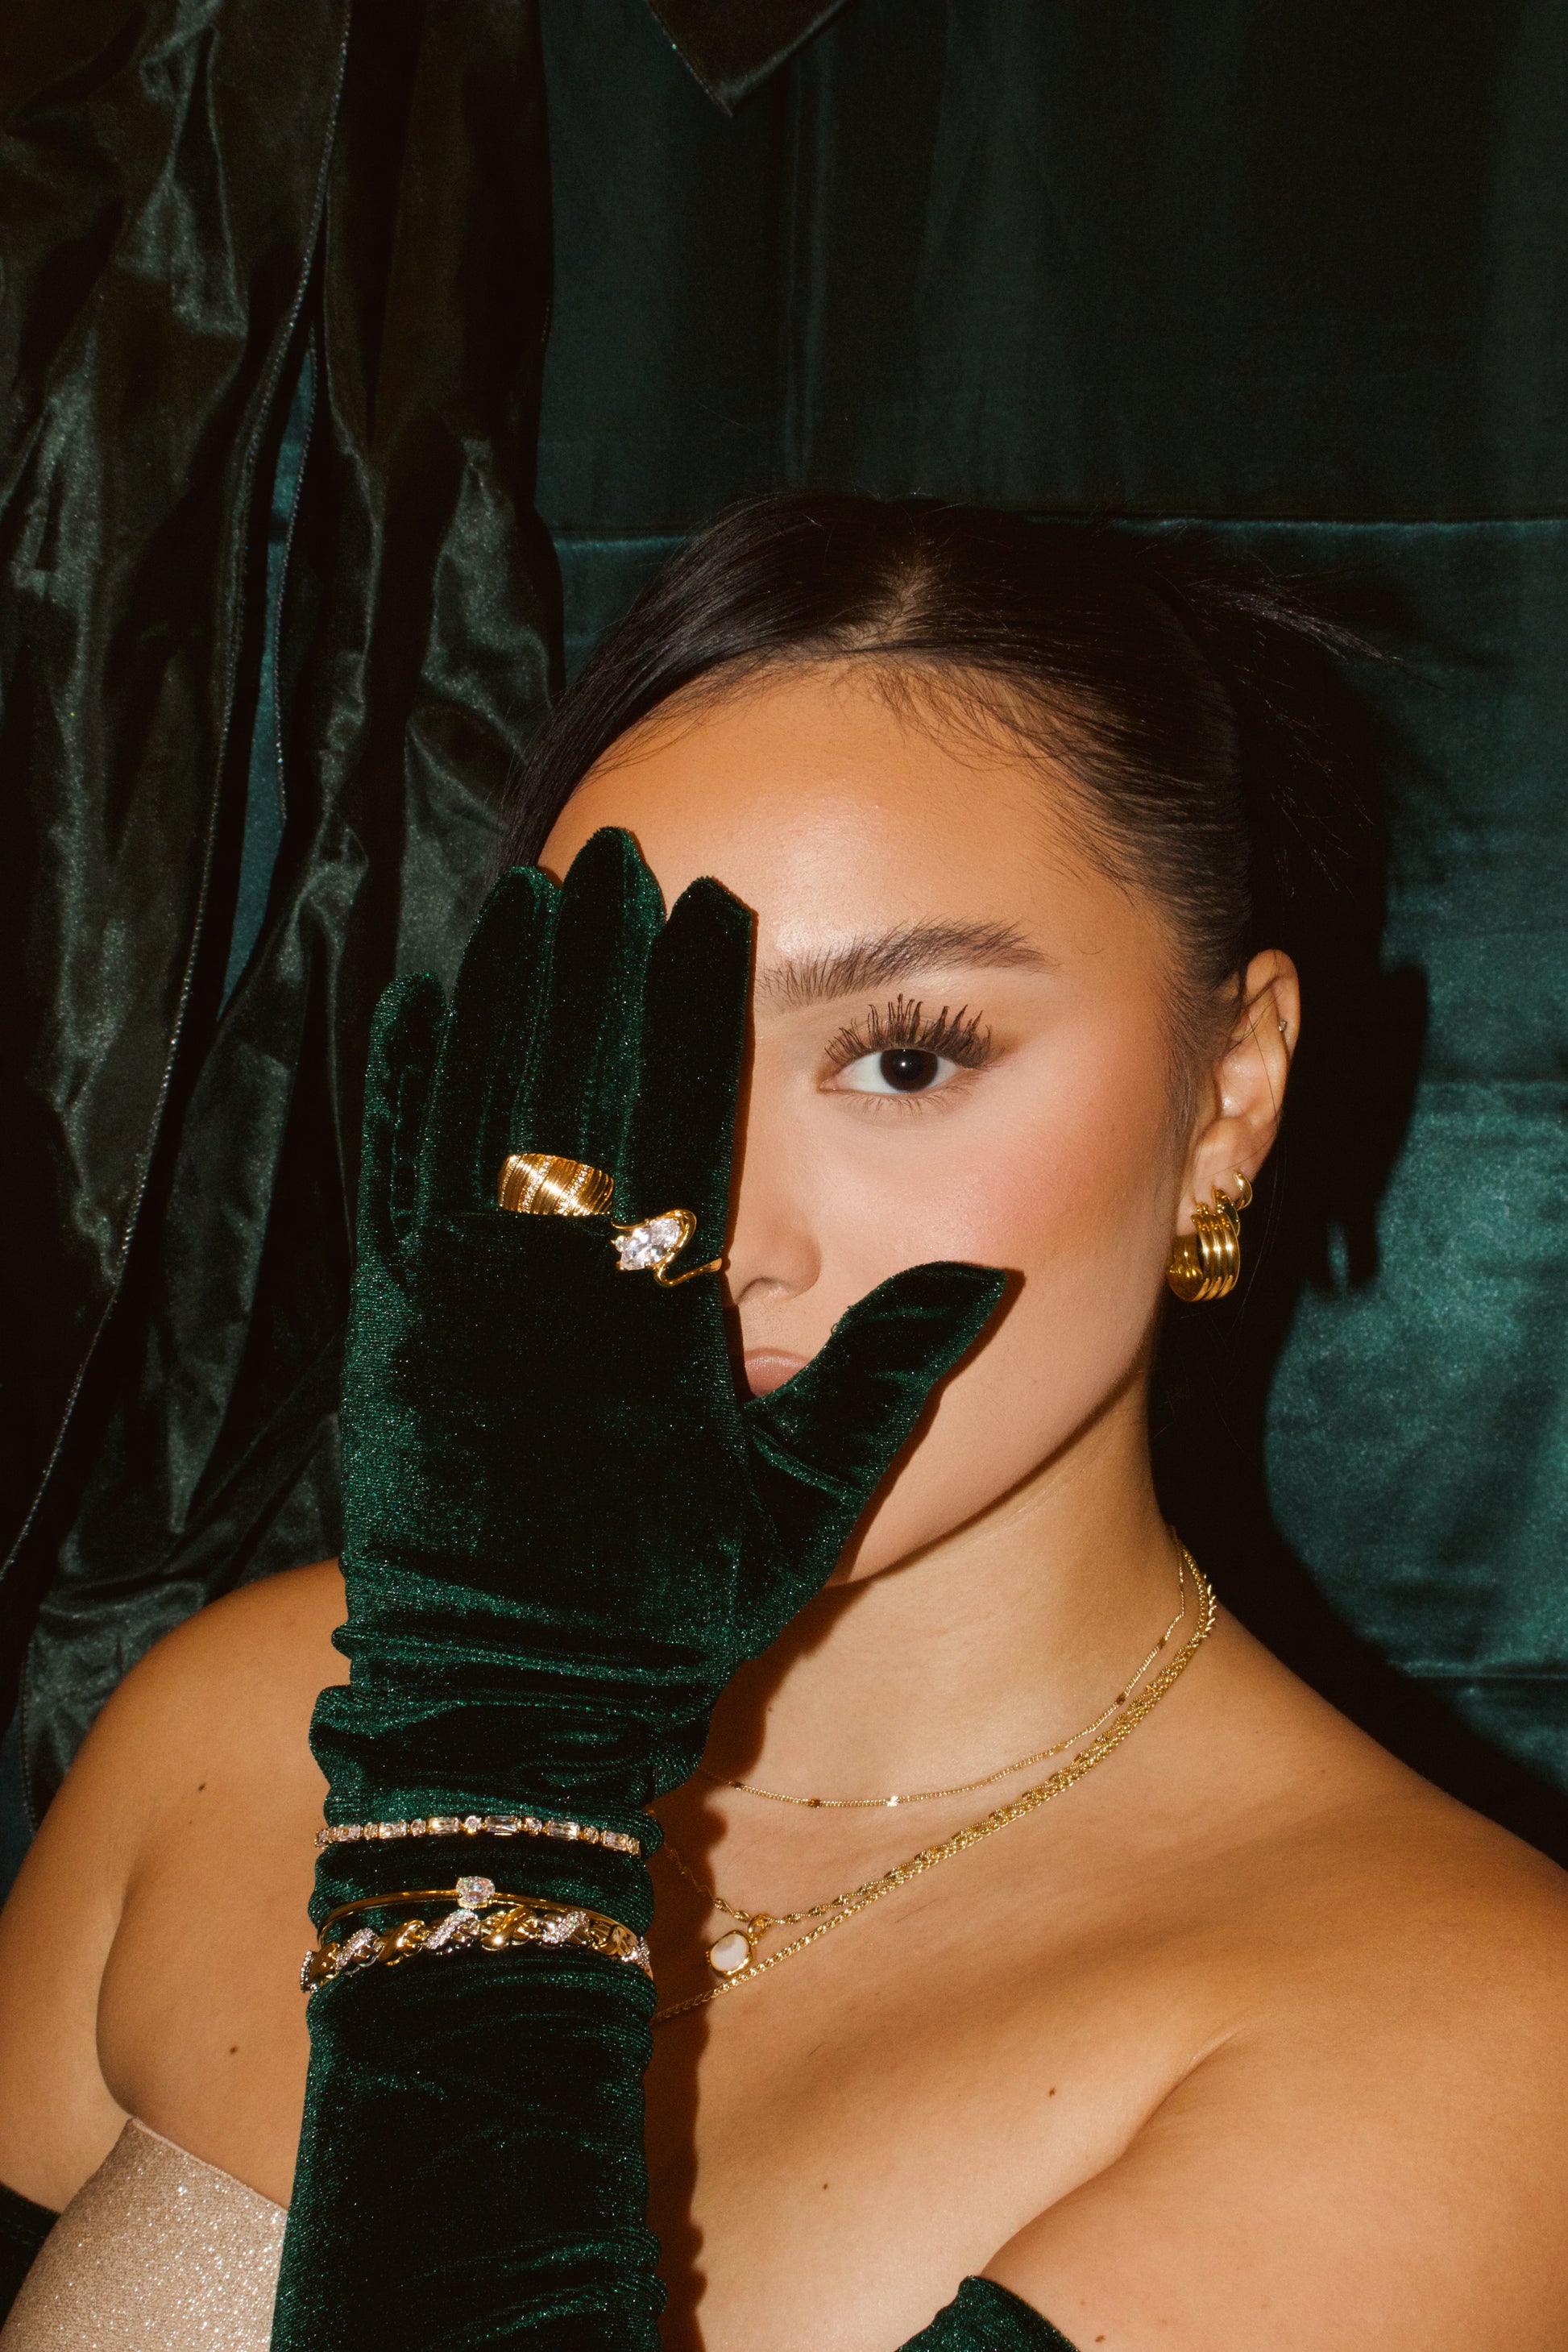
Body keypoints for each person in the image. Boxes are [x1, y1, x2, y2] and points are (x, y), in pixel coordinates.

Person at [0, 496, 1563, 2352]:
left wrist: (497, 1782)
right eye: (620, 1051)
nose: (711, 1230)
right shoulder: (234, 1727)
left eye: (902, 1055)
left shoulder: (1476, 2039)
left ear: (1231, 1092)